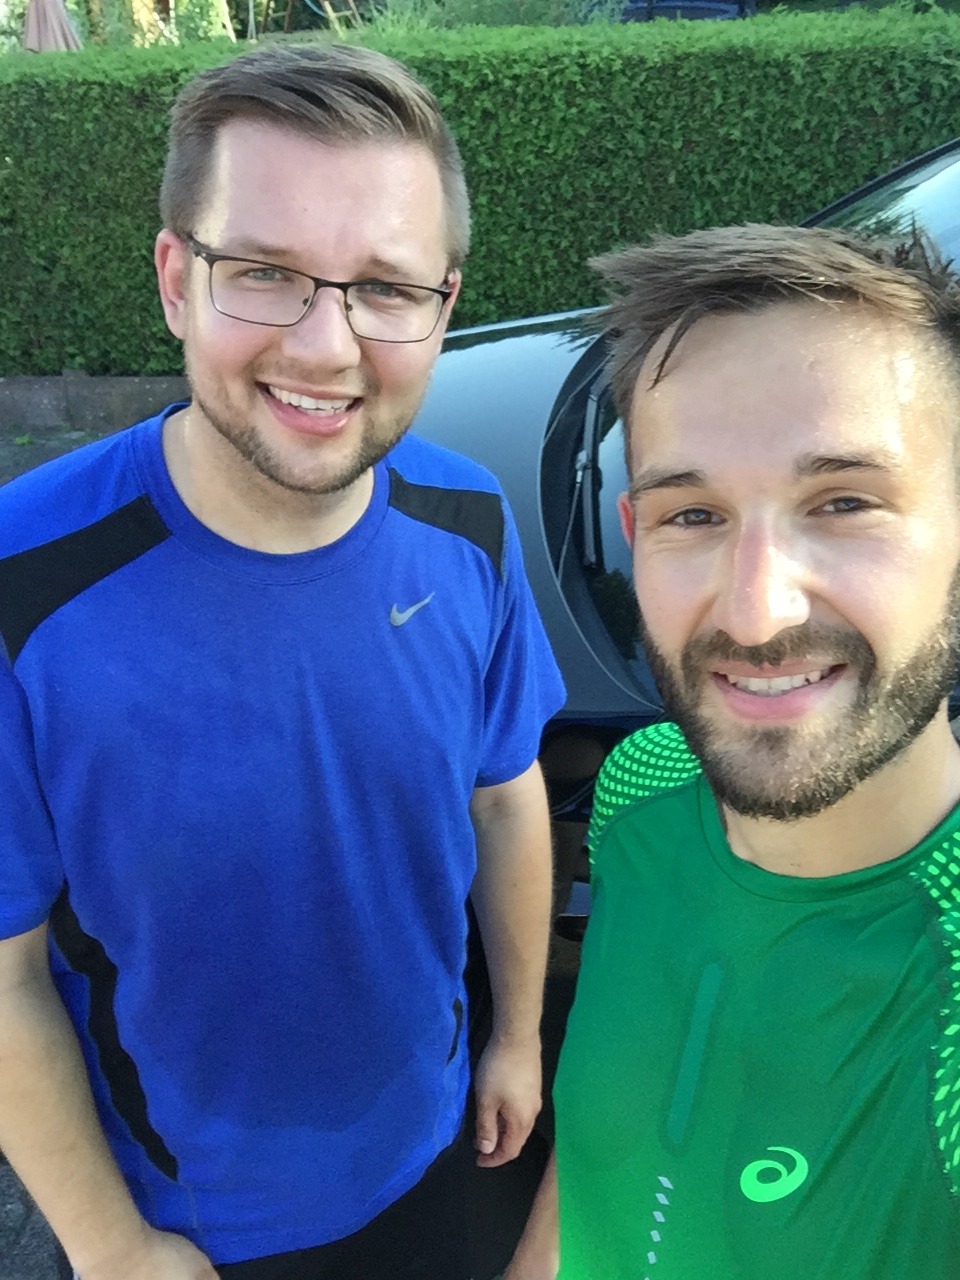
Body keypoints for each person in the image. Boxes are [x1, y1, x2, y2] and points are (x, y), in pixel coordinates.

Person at [0, 44, 565, 1280]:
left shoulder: (471, 524)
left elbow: (505, 796)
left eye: (385, 287)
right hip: (185, 1219)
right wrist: (110, 1245)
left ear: (442, 307)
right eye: (264, 273)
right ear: (175, 279)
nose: (324, 345)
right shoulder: (20, 584)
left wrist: (516, 1038)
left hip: (437, 1148)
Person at [506, 224, 960, 1279]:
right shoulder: (643, 783)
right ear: (635, 535)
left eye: (843, 503)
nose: (757, 611)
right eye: (694, 514)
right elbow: (615, 1135)